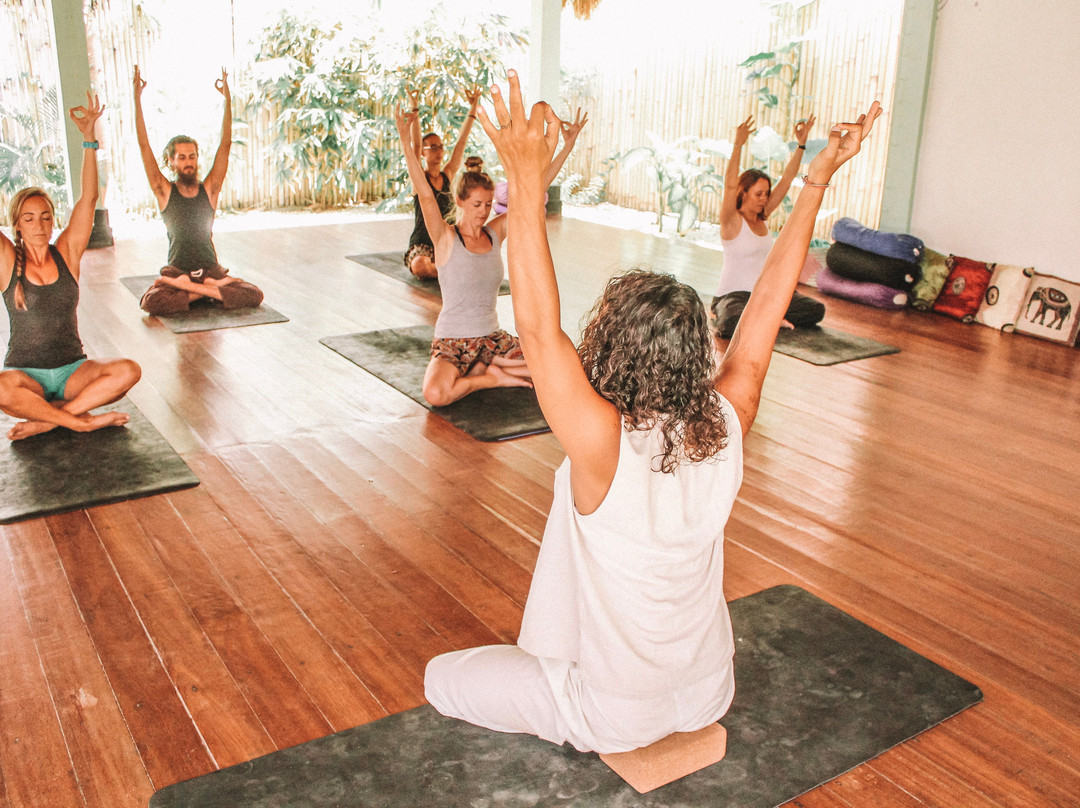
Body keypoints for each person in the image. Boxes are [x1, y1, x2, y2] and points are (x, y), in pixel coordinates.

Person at [423, 71, 881, 753]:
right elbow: (765, 309)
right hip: (708, 691)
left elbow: (541, 330)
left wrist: (527, 181)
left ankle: (559, 678)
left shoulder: (601, 440)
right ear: (694, 351)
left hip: (616, 715)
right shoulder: (725, 420)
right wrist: (814, 182)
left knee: (442, 678)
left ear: (611, 345)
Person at [392, 101, 586, 407]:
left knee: (557, 369)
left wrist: (568, 144)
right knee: (436, 394)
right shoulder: (444, 238)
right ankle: (490, 377)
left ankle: (491, 365)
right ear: (459, 202)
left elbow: (532, 191)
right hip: (452, 342)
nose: (484, 212)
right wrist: (406, 140)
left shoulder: (494, 233)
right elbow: (425, 194)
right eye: (476, 205)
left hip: (493, 340)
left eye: (487, 204)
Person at [0, 93, 142, 441]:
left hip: (72, 372)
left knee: (128, 371)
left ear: (53, 221)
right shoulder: (7, 260)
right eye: (29, 218)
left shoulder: (65, 251)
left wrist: (88, 138)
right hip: (26, 377)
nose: (39, 225)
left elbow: (89, 198)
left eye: (46, 217)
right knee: (1, 390)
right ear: (17, 224)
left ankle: (50, 420)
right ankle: (79, 420)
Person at [133, 65, 263, 315]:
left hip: (211, 271)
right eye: (181, 157)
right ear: (171, 161)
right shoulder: (164, 192)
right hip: (178, 270)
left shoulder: (210, 190)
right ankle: (212, 291)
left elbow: (225, 145)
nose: (188, 162)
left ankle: (190, 291)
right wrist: (136, 99)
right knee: (152, 302)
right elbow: (143, 145)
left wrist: (227, 99)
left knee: (254, 294)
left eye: (191, 156)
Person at [711, 114, 824, 339]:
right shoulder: (731, 220)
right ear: (744, 193)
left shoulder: (762, 217)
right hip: (734, 296)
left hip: (766, 295)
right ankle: (769, 319)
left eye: (766, 194)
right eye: (758, 194)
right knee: (731, 323)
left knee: (815, 310)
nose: (764, 199)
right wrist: (738, 144)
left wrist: (801, 144)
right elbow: (730, 184)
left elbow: (787, 178)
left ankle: (767, 318)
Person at [402, 86, 482, 279]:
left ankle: (446, 268)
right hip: (423, 245)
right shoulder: (419, 181)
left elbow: (461, 142)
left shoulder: (447, 174)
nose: (438, 151)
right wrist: (414, 109)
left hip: (448, 242)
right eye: (433, 147)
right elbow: (415, 145)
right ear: (424, 153)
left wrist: (473, 108)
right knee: (420, 266)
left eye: (440, 147)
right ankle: (447, 270)